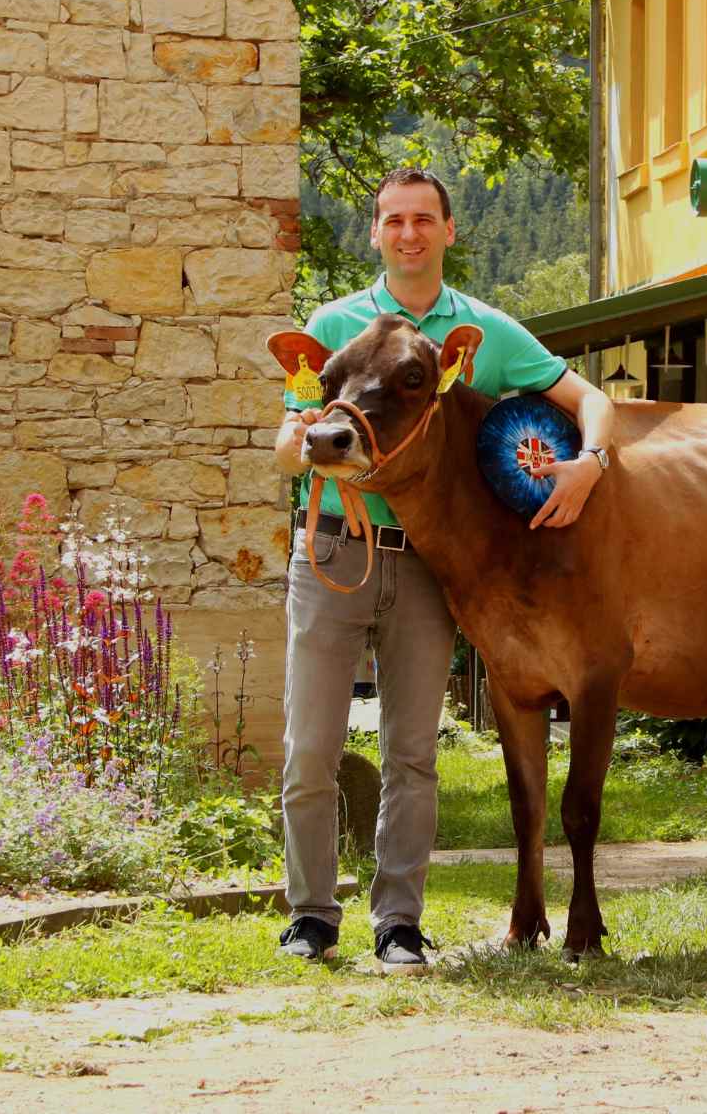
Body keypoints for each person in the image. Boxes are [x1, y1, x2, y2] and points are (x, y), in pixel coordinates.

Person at [272, 166, 615, 970]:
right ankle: (311, 917)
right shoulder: (337, 324)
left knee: (413, 753)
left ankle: (398, 924)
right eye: (394, 219)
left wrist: (590, 464)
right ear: (375, 232)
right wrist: (305, 448)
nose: (409, 233)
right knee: (309, 749)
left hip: (429, 567)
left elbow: (591, 400)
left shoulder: (482, 335)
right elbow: (291, 438)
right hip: (331, 551)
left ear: (448, 232)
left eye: (424, 219)